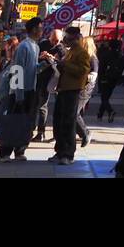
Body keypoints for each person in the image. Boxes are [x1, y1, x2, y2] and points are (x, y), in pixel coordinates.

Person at [0, 17, 43, 162]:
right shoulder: (24, 46)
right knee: (14, 121)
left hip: (30, 89)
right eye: (40, 27)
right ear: (35, 29)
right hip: (20, 91)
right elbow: (17, 70)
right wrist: (18, 95)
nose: (42, 30)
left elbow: (33, 68)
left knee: (26, 123)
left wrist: (45, 64)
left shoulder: (35, 46)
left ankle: (20, 150)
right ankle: (6, 152)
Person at [50, 26, 91, 165]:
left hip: (72, 90)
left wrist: (65, 65)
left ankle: (68, 153)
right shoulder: (70, 52)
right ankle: (60, 150)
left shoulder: (82, 53)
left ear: (74, 38)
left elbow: (83, 71)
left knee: (68, 122)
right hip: (63, 89)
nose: (65, 40)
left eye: (67, 37)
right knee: (59, 120)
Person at [34, 28, 65, 140]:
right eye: (53, 40)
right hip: (41, 78)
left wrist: (54, 59)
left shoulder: (61, 48)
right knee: (39, 104)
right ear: (50, 37)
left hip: (54, 79)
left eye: (57, 40)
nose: (55, 43)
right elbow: (35, 58)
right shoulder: (43, 44)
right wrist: (41, 57)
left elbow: (64, 63)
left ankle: (42, 132)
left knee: (45, 106)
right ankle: (39, 132)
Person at [75, 34, 98, 147]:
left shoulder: (92, 59)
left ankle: (85, 132)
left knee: (75, 112)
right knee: (73, 112)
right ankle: (80, 132)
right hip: (79, 87)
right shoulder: (84, 57)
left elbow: (92, 77)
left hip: (85, 90)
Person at [97, 41, 123, 121]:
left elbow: (101, 68)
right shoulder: (119, 55)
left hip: (105, 78)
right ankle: (100, 114)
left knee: (104, 98)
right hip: (114, 79)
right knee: (106, 97)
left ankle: (110, 111)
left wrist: (100, 79)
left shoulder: (106, 54)